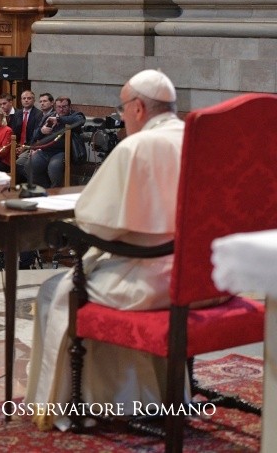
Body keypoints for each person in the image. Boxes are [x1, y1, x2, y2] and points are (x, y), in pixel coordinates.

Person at [25, 69, 185, 431]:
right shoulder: (196, 138)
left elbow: (95, 223)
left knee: (57, 291)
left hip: (149, 281)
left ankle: (95, 401)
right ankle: (156, 395)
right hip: (196, 278)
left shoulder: (136, 146)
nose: (123, 116)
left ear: (140, 108)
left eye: (123, 108)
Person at [15, 96, 85, 188]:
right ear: (55, 107)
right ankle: (46, 188)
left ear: (69, 106)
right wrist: (42, 131)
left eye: (64, 106)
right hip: (45, 150)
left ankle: (55, 191)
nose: (61, 109)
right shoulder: (48, 116)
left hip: (62, 152)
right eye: (59, 107)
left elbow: (80, 120)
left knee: (54, 169)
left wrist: (59, 119)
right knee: (29, 166)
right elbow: (35, 135)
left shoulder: (74, 115)